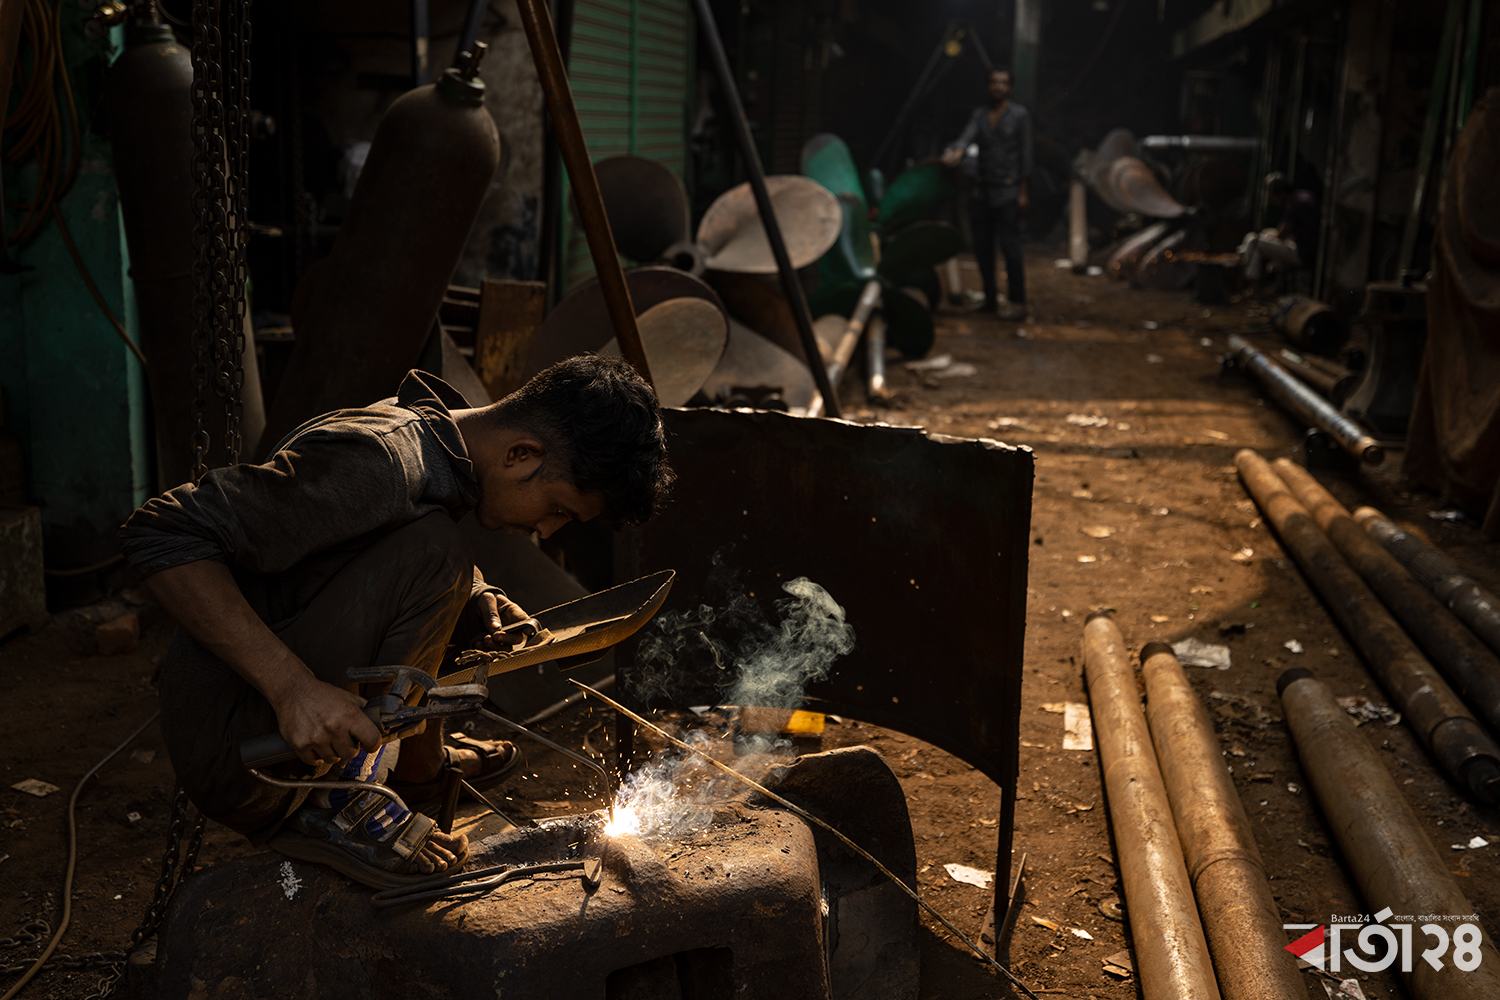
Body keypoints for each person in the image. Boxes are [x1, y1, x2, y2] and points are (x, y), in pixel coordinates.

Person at [119, 356, 672, 888]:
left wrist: (474, 594)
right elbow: (160, 532)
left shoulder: (439, 446)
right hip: (243, 754)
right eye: (557, 510)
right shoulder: (380, 459)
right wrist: (293, 691)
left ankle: (412, 764)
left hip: (259, 720)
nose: (548, 532)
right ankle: (340, 794)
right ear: (522, 453)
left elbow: (343, 555)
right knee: (436, 557)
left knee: (449, 571)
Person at [941, 68, 1034, 321]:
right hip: (982, 191)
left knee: (1011, 248)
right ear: (987, 87)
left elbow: (1026, 155)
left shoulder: (1019, 115)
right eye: (994, 82)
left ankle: (1018, 302)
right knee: (983, 248)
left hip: (1008, 189)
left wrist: (1023, 193)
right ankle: (990, 299)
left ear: (1010, 88)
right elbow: (965, 139)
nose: (999, 87)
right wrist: (956, 152)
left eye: (1004, 83)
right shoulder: (979, 116)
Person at [1242, 173, 1319, 284]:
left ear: (1281, 193)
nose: (1273, 202)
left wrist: (1272, 236)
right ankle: (1276, 285)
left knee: (1253, 240)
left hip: (1302, 253)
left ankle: (1254, 287)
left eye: (1273, 197)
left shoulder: (1298, 203)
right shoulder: (1304, 195)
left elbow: (1282, 234)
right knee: (1265, 234)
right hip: (1302, 246)